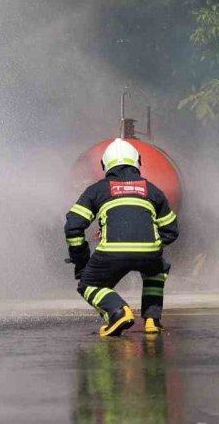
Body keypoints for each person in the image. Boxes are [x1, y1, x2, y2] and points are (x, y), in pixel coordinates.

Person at [65, 138, 179, 337]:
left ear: (104, 165)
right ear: (138, 162)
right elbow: (171, 230)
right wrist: (151, 244)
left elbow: (73, 226)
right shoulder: (153, 190)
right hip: (149, 253)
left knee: (88, 284)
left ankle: (118, 311)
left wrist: (81, 261)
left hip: (112, 253)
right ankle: (152, 320)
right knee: (156, 269)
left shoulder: (97, 190)